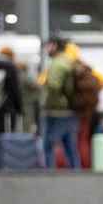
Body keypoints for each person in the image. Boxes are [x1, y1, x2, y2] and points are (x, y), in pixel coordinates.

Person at [40, 36, 80, 170]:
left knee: (48, 146)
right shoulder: (69, 60)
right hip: (72, 111)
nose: (46, 49)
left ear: (54, 46)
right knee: (71, 148)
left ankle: (50, 176)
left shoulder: (57, 63)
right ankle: (76, 174)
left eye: (48, 46)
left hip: (57, 112)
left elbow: (53, 85)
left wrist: (48, 103)